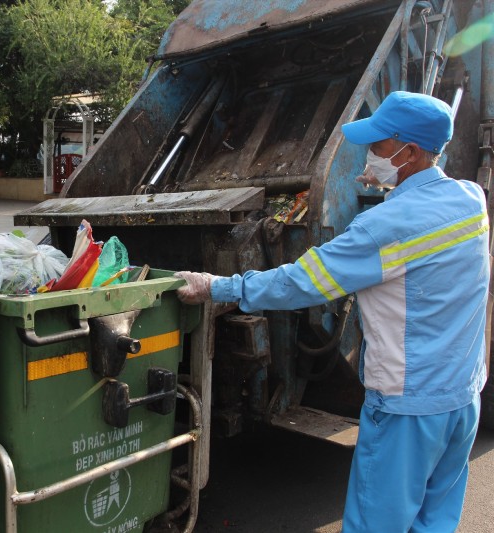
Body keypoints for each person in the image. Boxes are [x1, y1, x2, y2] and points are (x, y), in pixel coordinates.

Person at [175, 91, 488, 532]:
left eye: (378, 148)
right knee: (435, 521)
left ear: (411, 152)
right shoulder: (472, 201)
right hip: (462, 399)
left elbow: (301, 282)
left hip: (408, 410)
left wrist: (217, 286)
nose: (370, 155)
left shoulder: (385, 227)